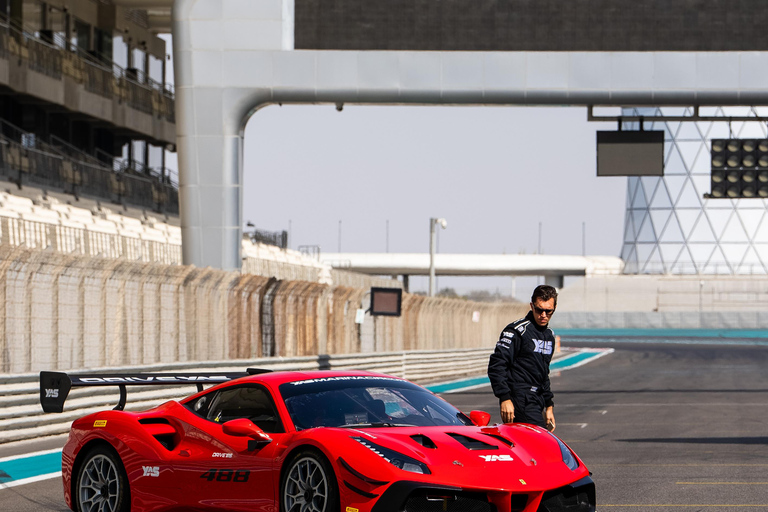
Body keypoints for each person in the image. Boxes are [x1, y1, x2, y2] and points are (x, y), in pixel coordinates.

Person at [487, 285, 558, 431]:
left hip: (537, 399)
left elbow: (543, 373)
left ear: (554, 308)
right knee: (540, 442)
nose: (543, 315)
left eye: (548, 311)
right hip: (520, 399)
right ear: (532, 306)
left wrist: (548, 405)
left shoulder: (549, 336)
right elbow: (497, 365)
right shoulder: (517, 331)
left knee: (527, 447)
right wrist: (505, 398)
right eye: (539, 309)